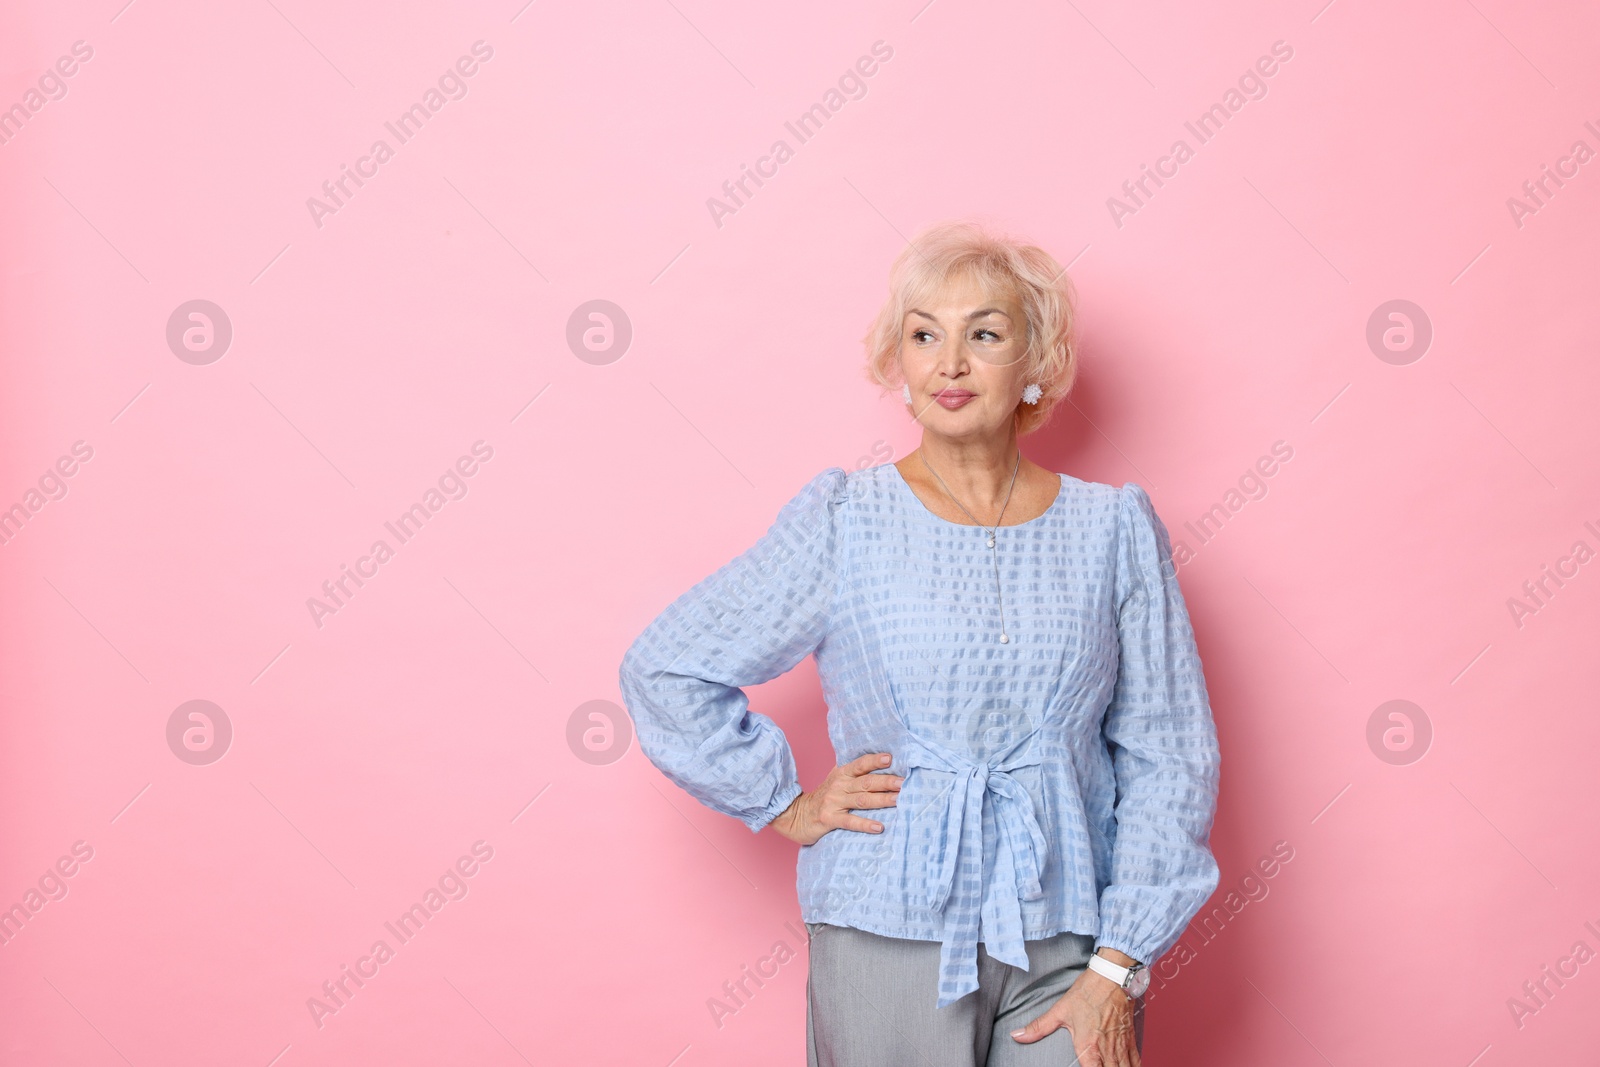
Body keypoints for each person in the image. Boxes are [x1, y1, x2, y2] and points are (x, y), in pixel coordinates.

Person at [617, 219, 1221, 1067]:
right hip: (884, 925)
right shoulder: (845, 519)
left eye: (985, 333)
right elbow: (667, 664)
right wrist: (785, 803)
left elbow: (1169, 751)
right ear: (896, 362)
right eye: (924, 334)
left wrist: (1119, 963)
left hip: (1070, 943)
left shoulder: (1114, 529)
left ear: (1037, 361)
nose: (951, 362)